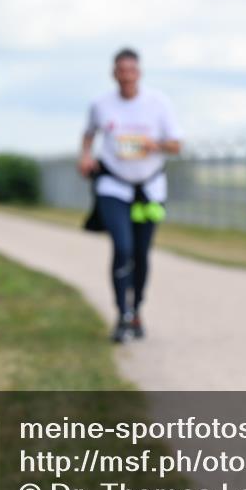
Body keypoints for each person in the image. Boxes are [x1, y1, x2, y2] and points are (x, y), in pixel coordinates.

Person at [80, 48, 183, 343]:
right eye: (121, 71)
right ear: (114, 73)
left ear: (139, 73)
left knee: (141, 252)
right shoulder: (100, 105)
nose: (126, 76)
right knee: (122, 248)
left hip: (149, 189)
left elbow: (177, 144)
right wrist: (85, 156)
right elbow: (88, 134)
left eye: (131, 70)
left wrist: (155, 145)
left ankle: (136, 308)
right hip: (113, 186)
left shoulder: (159, 104)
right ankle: (122, 313)